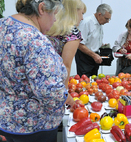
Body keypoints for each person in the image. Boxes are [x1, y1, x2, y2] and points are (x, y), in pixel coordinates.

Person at [0, 0, 75, 142]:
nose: (54, 20)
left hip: (6, 120)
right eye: (54, 14)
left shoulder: (3, 25)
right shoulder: (35, 40)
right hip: (33, 127)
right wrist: (67, 98)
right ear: (42, 8)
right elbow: (49, 90)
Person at [46, 0, 86, 88]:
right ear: (74, 12)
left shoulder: (49, 27)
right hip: (55, 82)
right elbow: (66, 66)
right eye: (82, 13)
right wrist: (64, 92)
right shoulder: (72, 32)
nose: (82, 18)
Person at [75, 3, 112, 77]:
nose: (108, 21)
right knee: (84, 82)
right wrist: (94, 55)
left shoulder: (100, 23)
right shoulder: (87, 22)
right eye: (106, 18)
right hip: (84, 57)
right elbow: (79, 44)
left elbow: (91, 39)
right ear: (99, 14)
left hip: (94, 56)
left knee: (94, 81)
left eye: (109, 19)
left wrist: (100, 45)